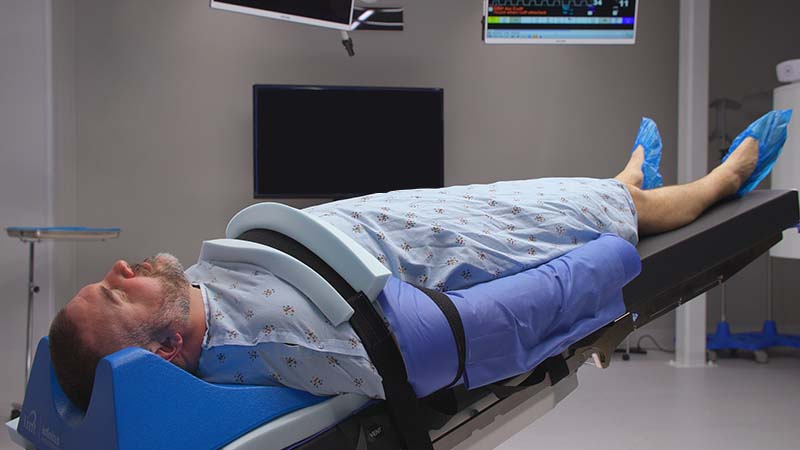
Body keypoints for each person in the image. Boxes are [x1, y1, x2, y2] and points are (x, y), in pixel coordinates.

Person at [48, 110, 792, 411]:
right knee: (584, 215)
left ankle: (626, 182)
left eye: (108, 279)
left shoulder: (205, 298)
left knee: (545, 190)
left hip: (418, 219)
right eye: (118, 297)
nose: (120, 271)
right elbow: (450, 341)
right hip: (471, 248)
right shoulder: (287, 345)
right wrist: (601, 268)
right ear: (169, 345)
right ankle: (706, 187)